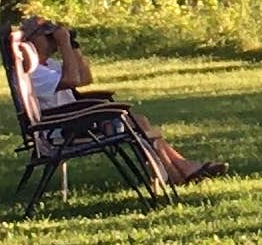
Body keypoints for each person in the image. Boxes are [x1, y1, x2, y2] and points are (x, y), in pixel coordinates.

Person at [13, 15, 221, 187]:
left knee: (140, 121)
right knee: (138, 123)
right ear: (32, 41)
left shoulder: (49, 65)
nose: (52, 39)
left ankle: (181, 169)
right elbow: (72, 79)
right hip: (63, 129)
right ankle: (180, 172)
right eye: (46, 34)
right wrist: (64, 42)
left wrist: (72, 43)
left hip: (74, 120)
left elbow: (85, 78)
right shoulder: (34, 73)